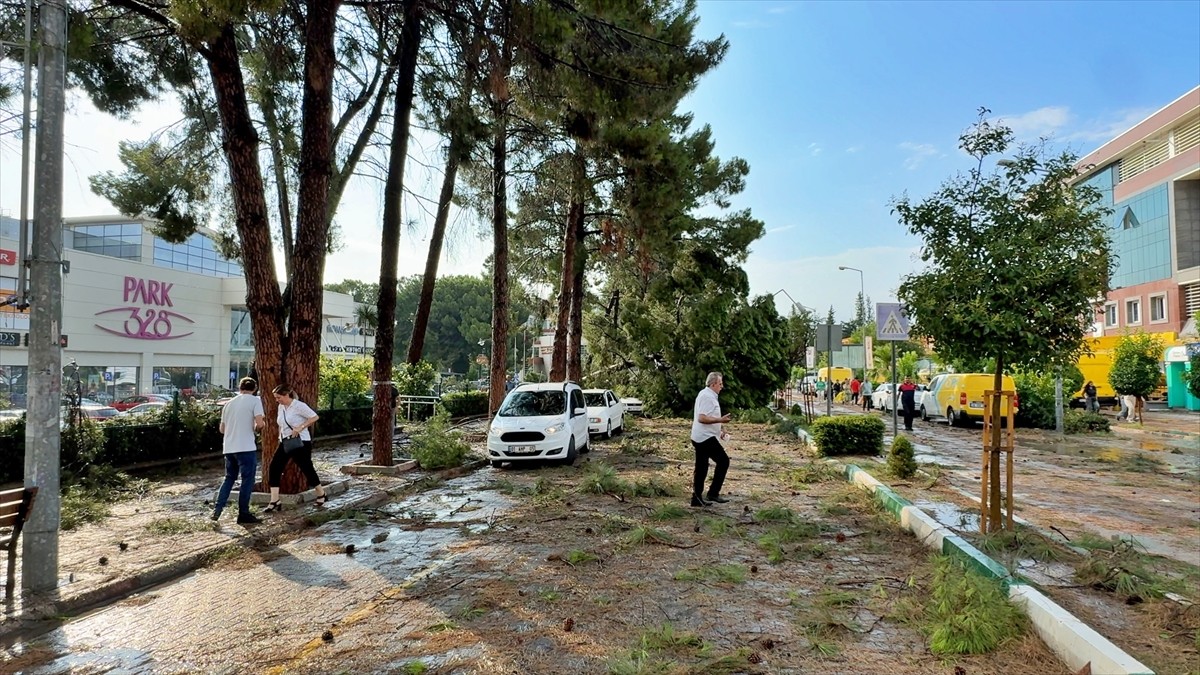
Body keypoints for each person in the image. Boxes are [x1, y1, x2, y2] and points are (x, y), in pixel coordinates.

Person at [264, 384, 326, 513]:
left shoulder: (299, 406)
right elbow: (281, 423)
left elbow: (314, 417)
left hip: (300, 441)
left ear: (287, 395)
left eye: (279, 397)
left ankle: (321, 493)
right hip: (285, 441)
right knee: (274, 467)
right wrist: (280, 437)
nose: (277, 400)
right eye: (276, 398)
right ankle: (274, 500)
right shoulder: (281, 407)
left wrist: (300, 427)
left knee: (306, 468)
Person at [213, 377, 265, 524]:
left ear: (239, 387)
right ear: (254, 389)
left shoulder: (228, 404)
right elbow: (260, 424)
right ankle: (243, 513)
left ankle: (217, 510)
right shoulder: (255, 401)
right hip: (246, 446)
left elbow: (222, 429)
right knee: (247, 480)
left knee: (229, 478)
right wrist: (259, 427)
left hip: (229, 447)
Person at [690, 371, 732, 507]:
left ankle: (696, 498)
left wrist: (719, 431)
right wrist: (721, 420)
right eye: (720, 384)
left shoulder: (707, 394)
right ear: (713, 384)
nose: (722, 386)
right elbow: (702, 418)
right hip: (704, 438)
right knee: (723, 461)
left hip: (703, 436)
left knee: (701, 467)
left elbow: (708, 416)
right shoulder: (707, 396)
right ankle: (713, 493)